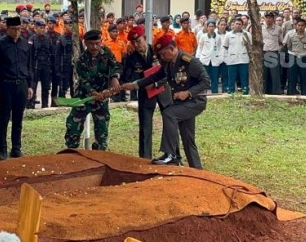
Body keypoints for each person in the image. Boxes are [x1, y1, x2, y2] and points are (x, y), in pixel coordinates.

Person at [123, 35, 209, 169]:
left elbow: (206, 82)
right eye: (160, 55)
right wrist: (135, 85)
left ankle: (171, 155)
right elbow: (155, 77)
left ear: (172, 48)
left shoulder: (189, 61)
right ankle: (197, 170)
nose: (161, 57)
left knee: (169, 113)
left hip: (195, 101)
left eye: (163, 54)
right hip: (182, 104)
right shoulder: (167, 63)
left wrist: (188, 92)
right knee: (187, 138)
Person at [64, 29, 121, 150]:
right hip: (84, 97)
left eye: (97, 43)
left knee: (102, 128)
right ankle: (71, 151)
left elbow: (115, 65)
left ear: (101, 42)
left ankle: (99, 152)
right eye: (91, 44)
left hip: (102, 97)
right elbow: (84, 81)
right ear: (85, 43)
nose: (95, 47)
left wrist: (115, 77)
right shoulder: (81, 60)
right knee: (73, 126)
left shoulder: (107, 52)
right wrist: (93, 93)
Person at [0, 16, 34, 160]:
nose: (16, 32)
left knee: (18, 118)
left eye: (19, 29)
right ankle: (2, 149)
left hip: (22, 83)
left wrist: (30, 85)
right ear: (7, 29)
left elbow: (29, 66)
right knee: (4, 118)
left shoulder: (26, 44)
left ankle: (16, 148)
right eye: (13, 29)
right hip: (6, 84)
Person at [122, 26, 158, 158]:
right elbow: (127, 77)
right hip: (145, 93)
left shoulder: (157, 51)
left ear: (145, 38)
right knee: (145, 126)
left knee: (170, 124)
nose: (137, 45)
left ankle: (172, 154)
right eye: (133, 42)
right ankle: (145, 157)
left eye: (139, 41)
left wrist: (155, 83)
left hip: (163, 91)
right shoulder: (132, 58)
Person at [222, 18, 251, 94]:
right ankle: (231, 91)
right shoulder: (228, 35)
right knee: (231, 77)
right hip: (232, 59)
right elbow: (226, 46)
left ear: (242, 25)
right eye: (236, 24)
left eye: (239, 24)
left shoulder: (247, 34)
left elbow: (250, 46)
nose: (238, 26)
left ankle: (245, 91)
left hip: (243, 59)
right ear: (233, 24)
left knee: (244, 77)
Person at [262, 11, 283, 95]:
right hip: (264, 53)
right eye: (267, 17)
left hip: (274, 53)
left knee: (275, 74)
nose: (269, 19)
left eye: (270, 17)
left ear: (273, 19)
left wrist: (278, 50)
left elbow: (281, 41)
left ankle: (276, 92)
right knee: (264, 73)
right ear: (264, 18)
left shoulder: (278, 29)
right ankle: (264, 91)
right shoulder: (261, 28)